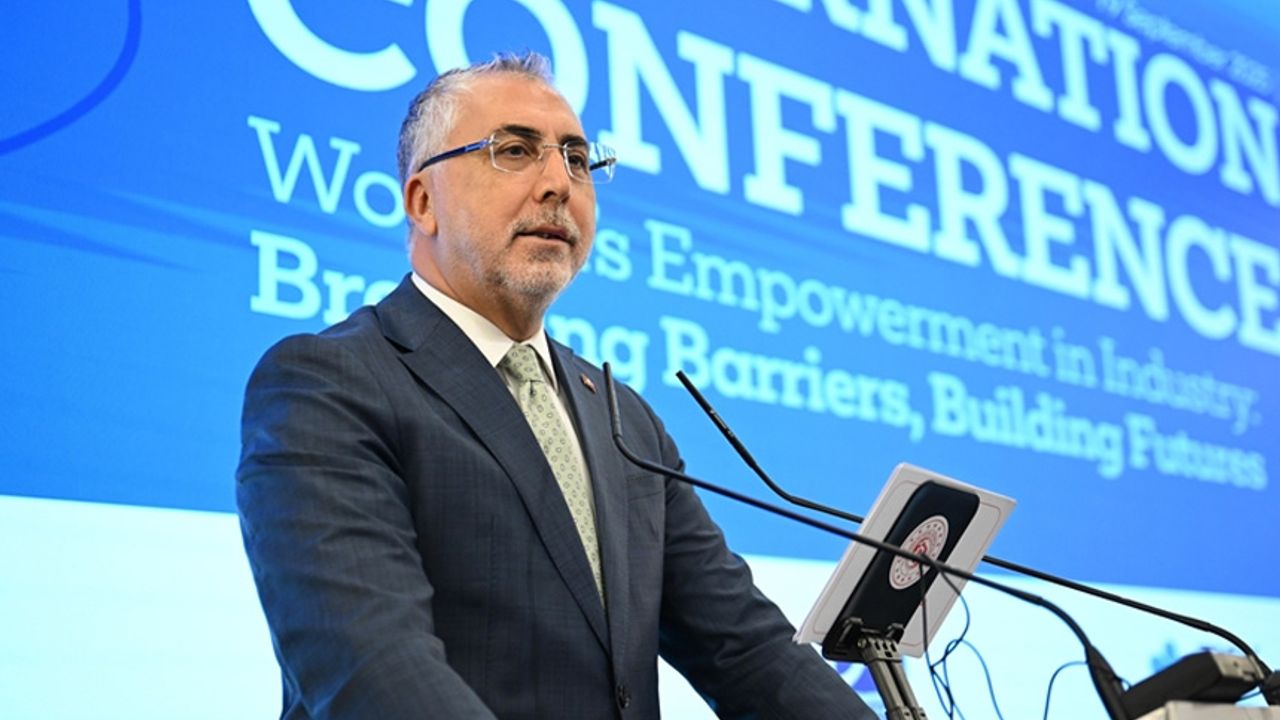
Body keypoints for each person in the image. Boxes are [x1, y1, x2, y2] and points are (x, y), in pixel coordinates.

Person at [237, 51, 875, 720]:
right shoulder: (329, 384)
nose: (558, 184)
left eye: (577, 159)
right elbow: (374, 669)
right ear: (423, 202)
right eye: (514, 151)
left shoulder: (625, 419)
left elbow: (747, 647)